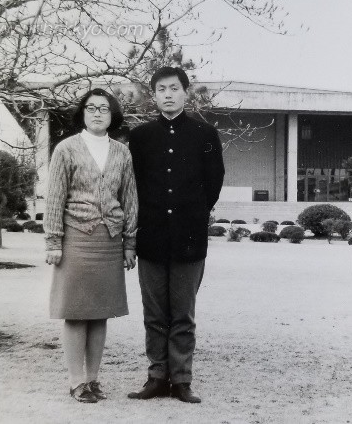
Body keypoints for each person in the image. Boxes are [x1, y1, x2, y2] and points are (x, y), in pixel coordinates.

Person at [127, 67, 225, 403]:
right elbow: (133, 187)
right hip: (151, 237)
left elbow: (213, 184)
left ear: (186, 92)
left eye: (174, 88)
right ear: (153, 95)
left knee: (183, 313)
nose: (168, 94)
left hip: (188, 238)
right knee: (154, 314)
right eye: (161, 89)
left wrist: (192, 214)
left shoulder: (205, 135)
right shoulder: (140, 138)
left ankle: (181, 379)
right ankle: (156, 377)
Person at [44, 88, 138, 403]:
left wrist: (129, 243)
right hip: (75, 240)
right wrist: (53, 240)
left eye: (104, 108)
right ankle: (76, 381)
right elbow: (55, 196)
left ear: (113, 115)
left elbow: (130, 199)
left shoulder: (122, 152)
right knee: (76, 312)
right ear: (83, 113)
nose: (97, 113)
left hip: (109, 242)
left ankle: (93, 379)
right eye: (91, 107)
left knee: (100, 313)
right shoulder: (66, 149)